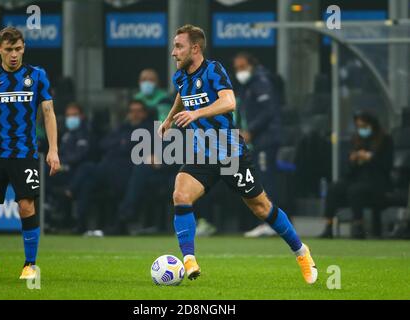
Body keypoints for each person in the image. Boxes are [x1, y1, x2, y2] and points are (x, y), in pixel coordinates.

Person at [158, 24, 317, 284]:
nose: (173, 52)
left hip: (229, 151)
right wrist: (168, 119)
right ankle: (189, 260)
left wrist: (196, 113)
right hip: (201, 152)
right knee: (180, 194)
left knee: (261, 207)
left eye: (179, 46)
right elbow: (182, 95)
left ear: (195, 48)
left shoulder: (213, 70)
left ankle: (301, 252)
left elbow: (229, 102)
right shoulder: (180, 76)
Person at [0, 27, 60, 280]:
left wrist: (53, 150)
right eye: (9, 49)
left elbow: (48, 113)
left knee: (26, 206)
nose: (14, 55)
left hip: (25, 154)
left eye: (18, 49)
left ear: (24, 48)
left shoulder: (37, 75)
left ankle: (30, 264)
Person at [66, 100, 151, 234]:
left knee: (86, 168)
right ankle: (80, 224)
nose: (135, 114)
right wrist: (121, 143)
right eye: (132, 111)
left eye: (138, 111)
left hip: (126, 171)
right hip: (107, 168)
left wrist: (121, 144)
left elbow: (131, 148)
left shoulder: (148, 129)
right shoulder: (122, 127)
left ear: (144, 114)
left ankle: (69, 192)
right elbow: (103, 144)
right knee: (87, 183)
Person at [319, 111, 393, 239]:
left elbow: (387, 165)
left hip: (376, 180)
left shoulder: (385, 140)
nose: (361, 130)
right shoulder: (357, 140)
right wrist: (354, 159)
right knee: (334, 188)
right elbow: (349, 168)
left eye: (364, 126)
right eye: (359, 127)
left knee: (355, 191)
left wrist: (371, 158)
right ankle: (328, 226)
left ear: (372, 125)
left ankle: (358, 227)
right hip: (356, 178)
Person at [233, 52, 281, 238]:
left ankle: (270, 222)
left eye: (242, 67)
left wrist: (250, 131)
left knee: (267, 179)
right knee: (261, 178)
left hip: (267, 138)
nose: (240, 71)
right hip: (259, 140)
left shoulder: (261, 82)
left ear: (252, 65)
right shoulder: (247, 85)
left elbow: (268, 111)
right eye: (237, 68)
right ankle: (268, 221)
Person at [46, 102, 90, 229]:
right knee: (43, 174)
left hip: (78, 173)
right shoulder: (65, 134)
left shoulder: (86, 132)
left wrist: (64, 163)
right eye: (68, 115)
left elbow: (81, 156)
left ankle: (77, 221)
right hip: (64, 171)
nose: (71, 118)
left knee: (85, 178)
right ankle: (47, 213)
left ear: (81, 116)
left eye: (74, 115)